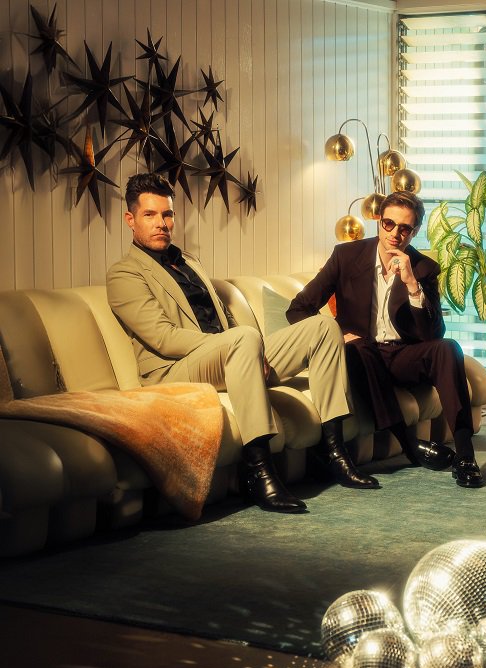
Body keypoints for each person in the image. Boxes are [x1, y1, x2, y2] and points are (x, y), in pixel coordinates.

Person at [107, 173, 377, 517]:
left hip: (228, 354)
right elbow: (164, 338)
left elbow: (223, 319)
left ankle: (335, 452)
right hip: (174, 370)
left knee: (322, 327)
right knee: (245, 337)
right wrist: (237, 343)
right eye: (150, 215)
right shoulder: (124, 274)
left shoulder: (189, 262)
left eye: (168, 214)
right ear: (131, 220)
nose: (162, 223)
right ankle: (259, 470)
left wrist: (249, 348)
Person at [285, 191, 485, 489]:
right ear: (379, 221)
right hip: (358, 356)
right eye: (389, 224)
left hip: (401, 356)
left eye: (405, 228)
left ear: (415, 231)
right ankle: (410, 445)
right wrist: (336, 335)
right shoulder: (346, 256)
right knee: (360, 346)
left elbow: (433, 335)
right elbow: (298, 309)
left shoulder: (423, 268)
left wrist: (412, 285)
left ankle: (466, 456)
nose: (395, 233)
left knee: (448, 348)